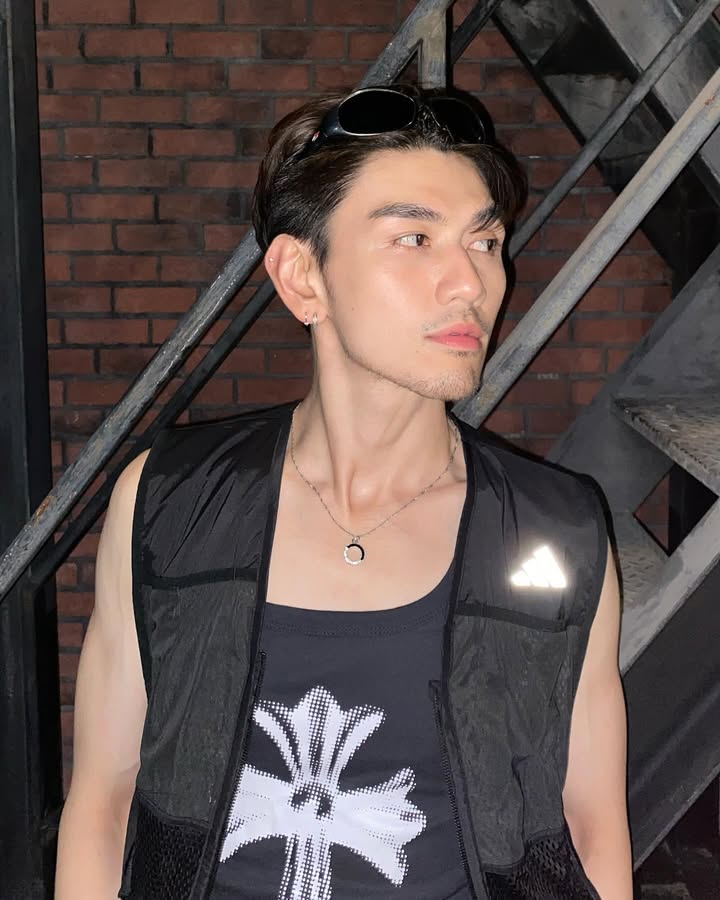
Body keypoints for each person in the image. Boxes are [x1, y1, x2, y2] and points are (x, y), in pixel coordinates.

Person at [55, 84, 632, 900]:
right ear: (302, 277)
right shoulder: (168, 503)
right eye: (414, 238)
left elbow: (591, 826)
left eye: (485, 241)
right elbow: (105, 798)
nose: (470, 283)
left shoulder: (558, 529)